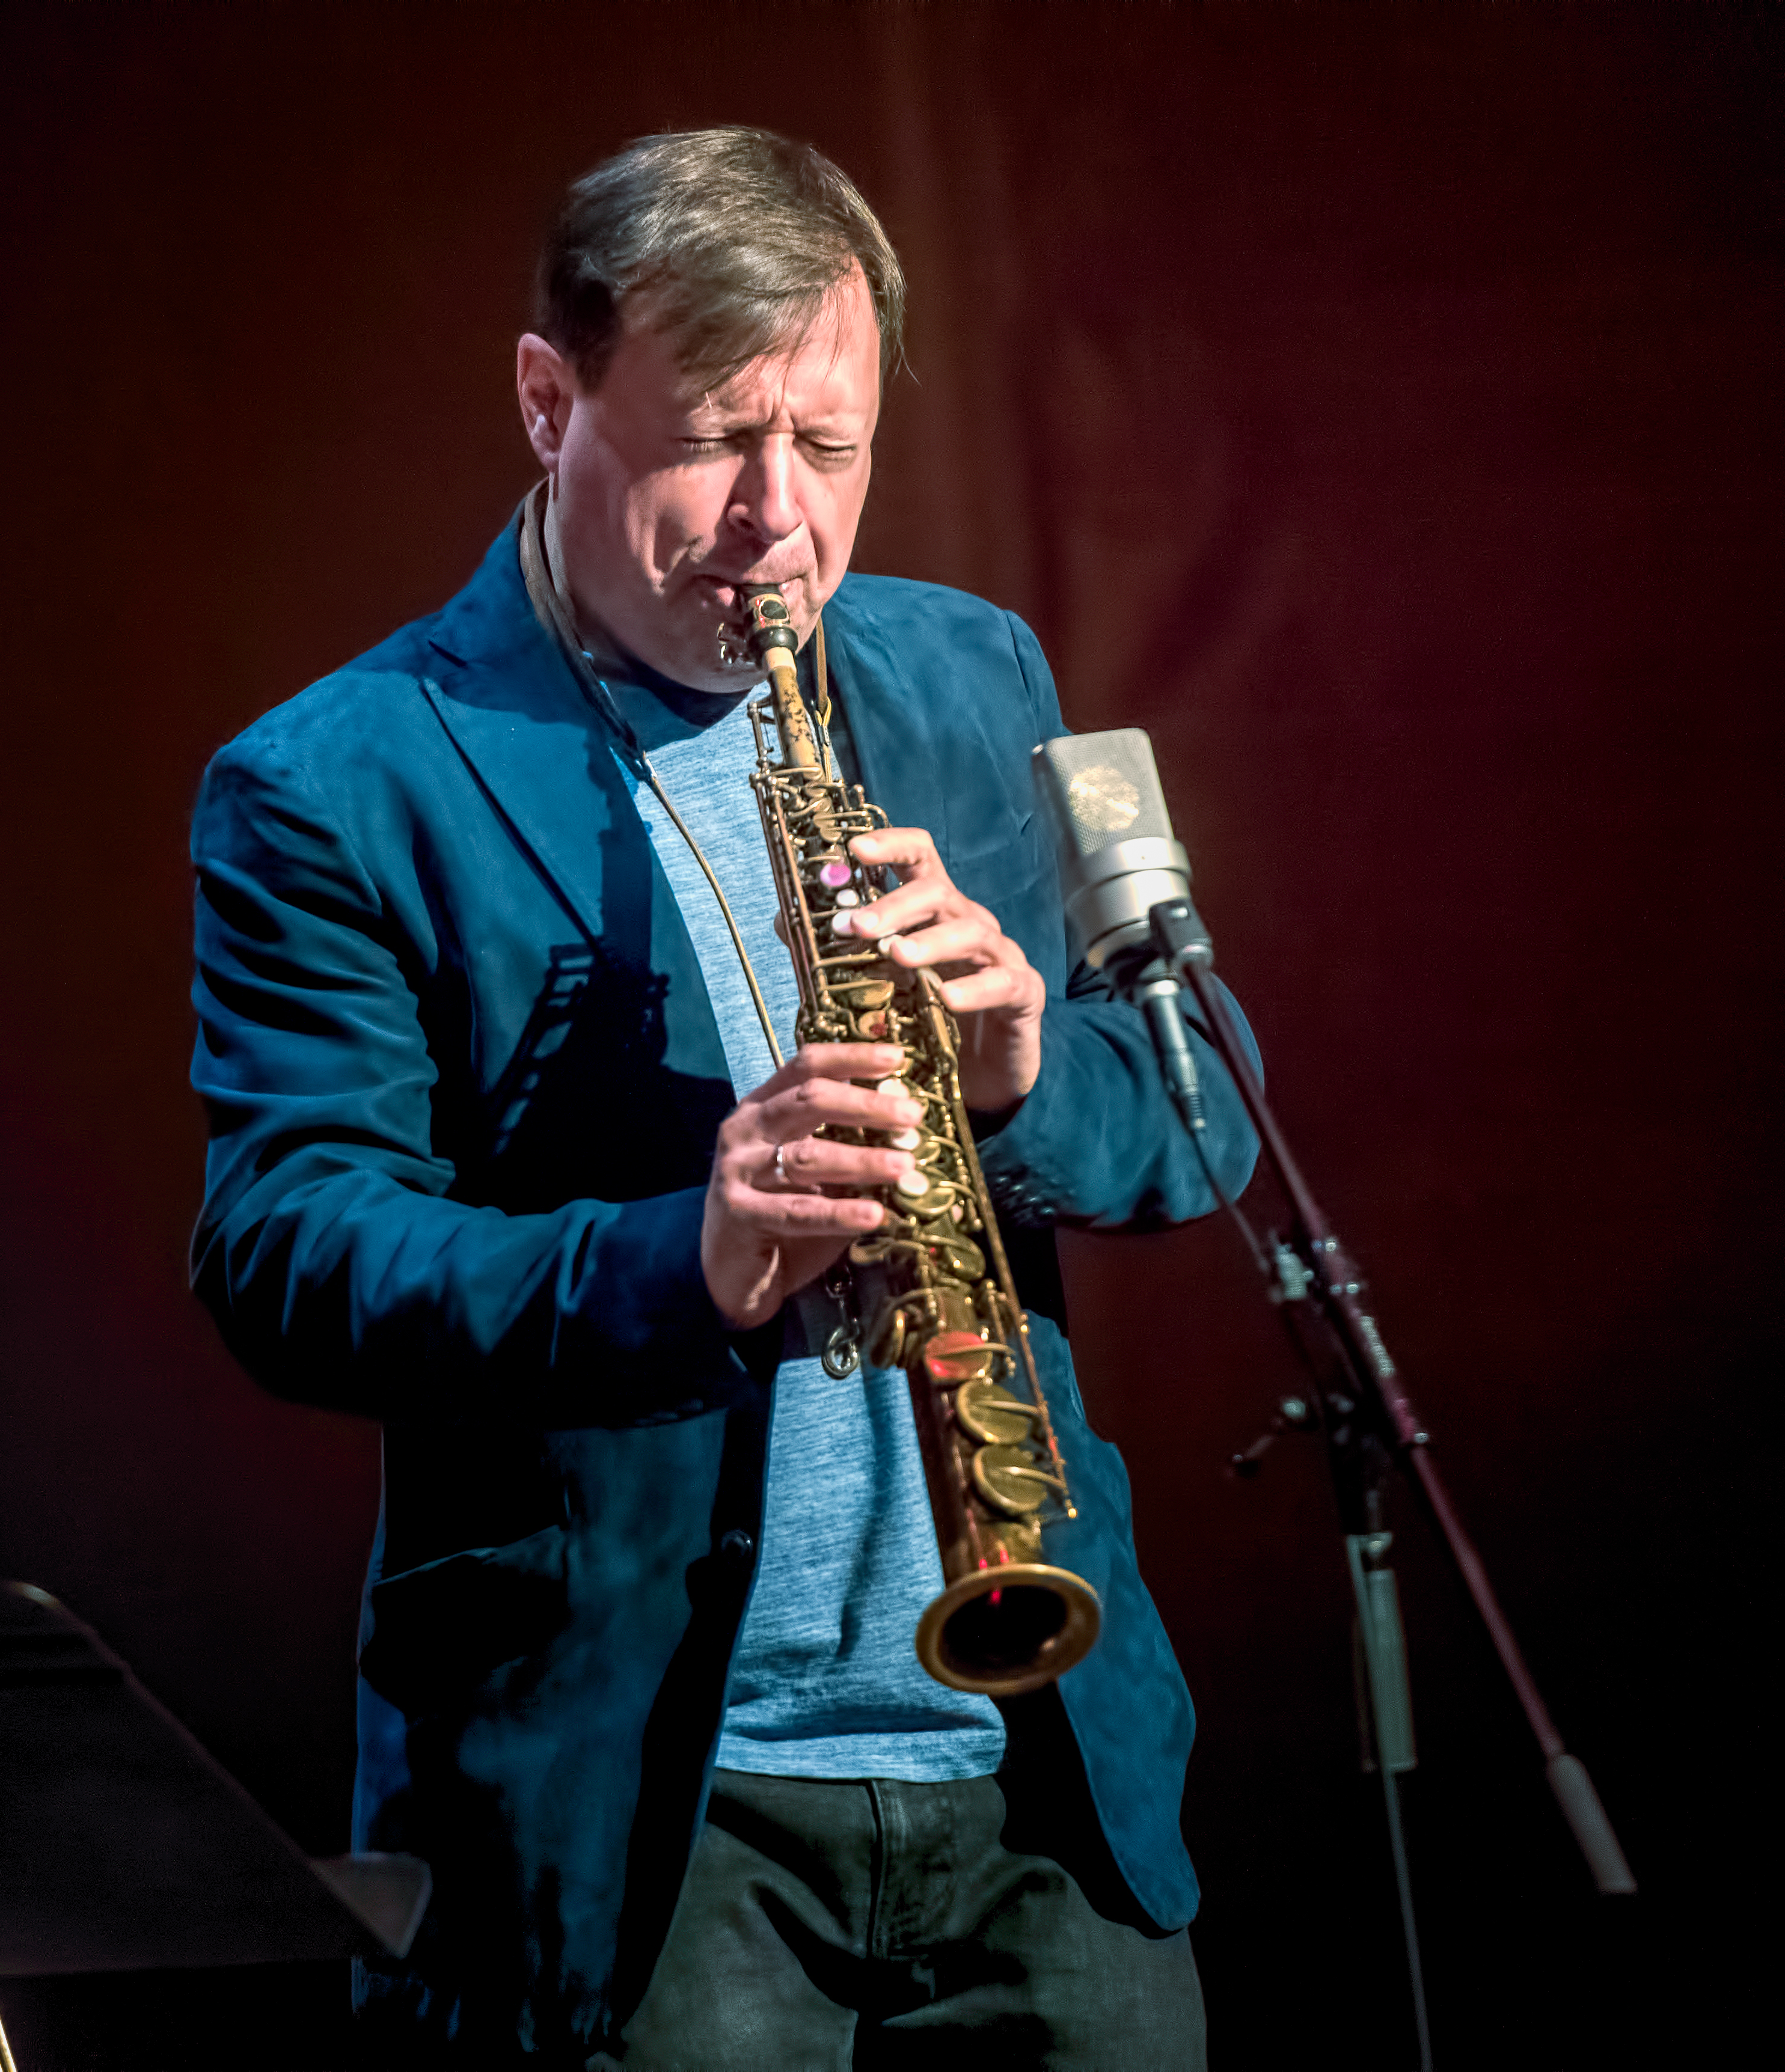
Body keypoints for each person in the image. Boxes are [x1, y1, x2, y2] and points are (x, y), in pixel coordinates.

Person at [189, 126, 1257, 2068]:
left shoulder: (967, 667)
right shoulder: (332, 779)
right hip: (651, 1824)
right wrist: (683, 1255)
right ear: (547, 398)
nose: (781, 520)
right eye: (715, 438)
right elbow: (285, 1246)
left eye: (831, 449)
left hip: (1032, 1772)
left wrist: (1022, 1078)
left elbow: (1208, 1114)